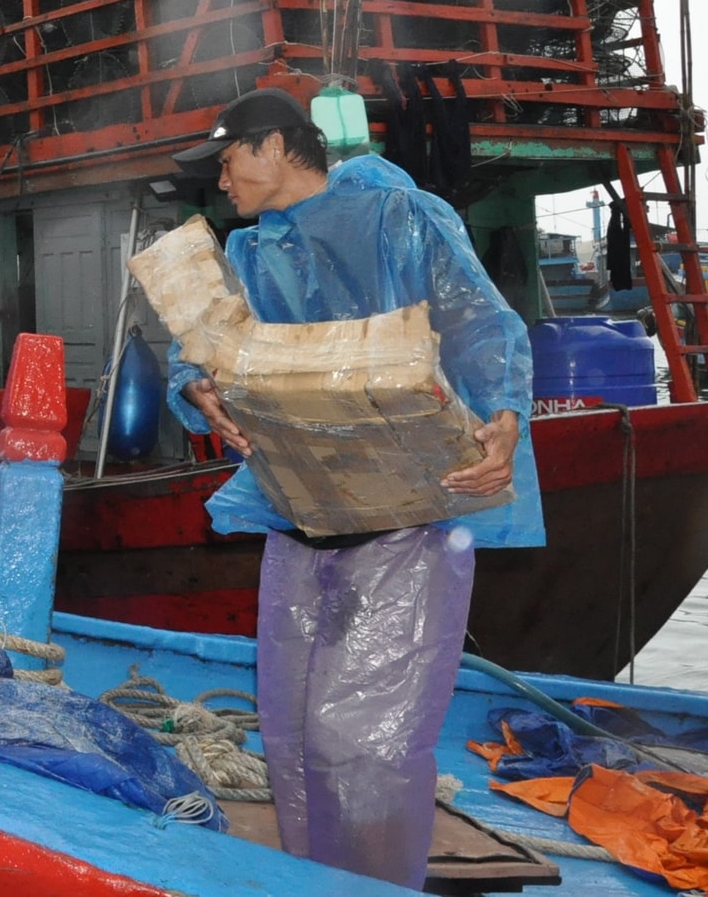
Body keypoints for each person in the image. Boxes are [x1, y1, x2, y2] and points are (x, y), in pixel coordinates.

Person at [166, 87, 544, 889]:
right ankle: (318, 885)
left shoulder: (399, 216)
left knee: (362, 743)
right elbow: (202, 352)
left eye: (227, 162)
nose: (221, 182)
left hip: (406, 517)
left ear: (273, 147)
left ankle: (378, 887)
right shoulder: (245, 253)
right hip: (296, 514)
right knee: (295, 737)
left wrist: (505, 418)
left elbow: (482, 324)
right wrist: (198, 386)